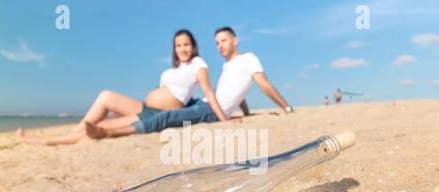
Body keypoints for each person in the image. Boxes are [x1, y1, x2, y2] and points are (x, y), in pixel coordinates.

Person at [17, 29, 228, 145]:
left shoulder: (198, 64)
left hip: (156, 114)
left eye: (186, 44)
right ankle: (72, 132)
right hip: (145, 107)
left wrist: (224, 120)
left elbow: (208, 91)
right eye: (178, 45)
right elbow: (159, 92)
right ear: (175, 48)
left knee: (105, 127)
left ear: (193, 46)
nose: (182, 48)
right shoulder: (169, 71)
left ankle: (50, 140)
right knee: (105, 96)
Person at [86, 26, 294, 138]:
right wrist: (246, 112)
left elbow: (263, 84)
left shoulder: (248, 59)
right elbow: (235, 93)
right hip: (202, 103)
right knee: (165, 111)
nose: (220, 46)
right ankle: (105, 122)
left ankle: (108, 132)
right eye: (217, 43)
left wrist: (286, 107)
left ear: (235, 40)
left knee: (167, 117)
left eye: (223, 40)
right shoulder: (227, 66)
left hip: (210, 110)